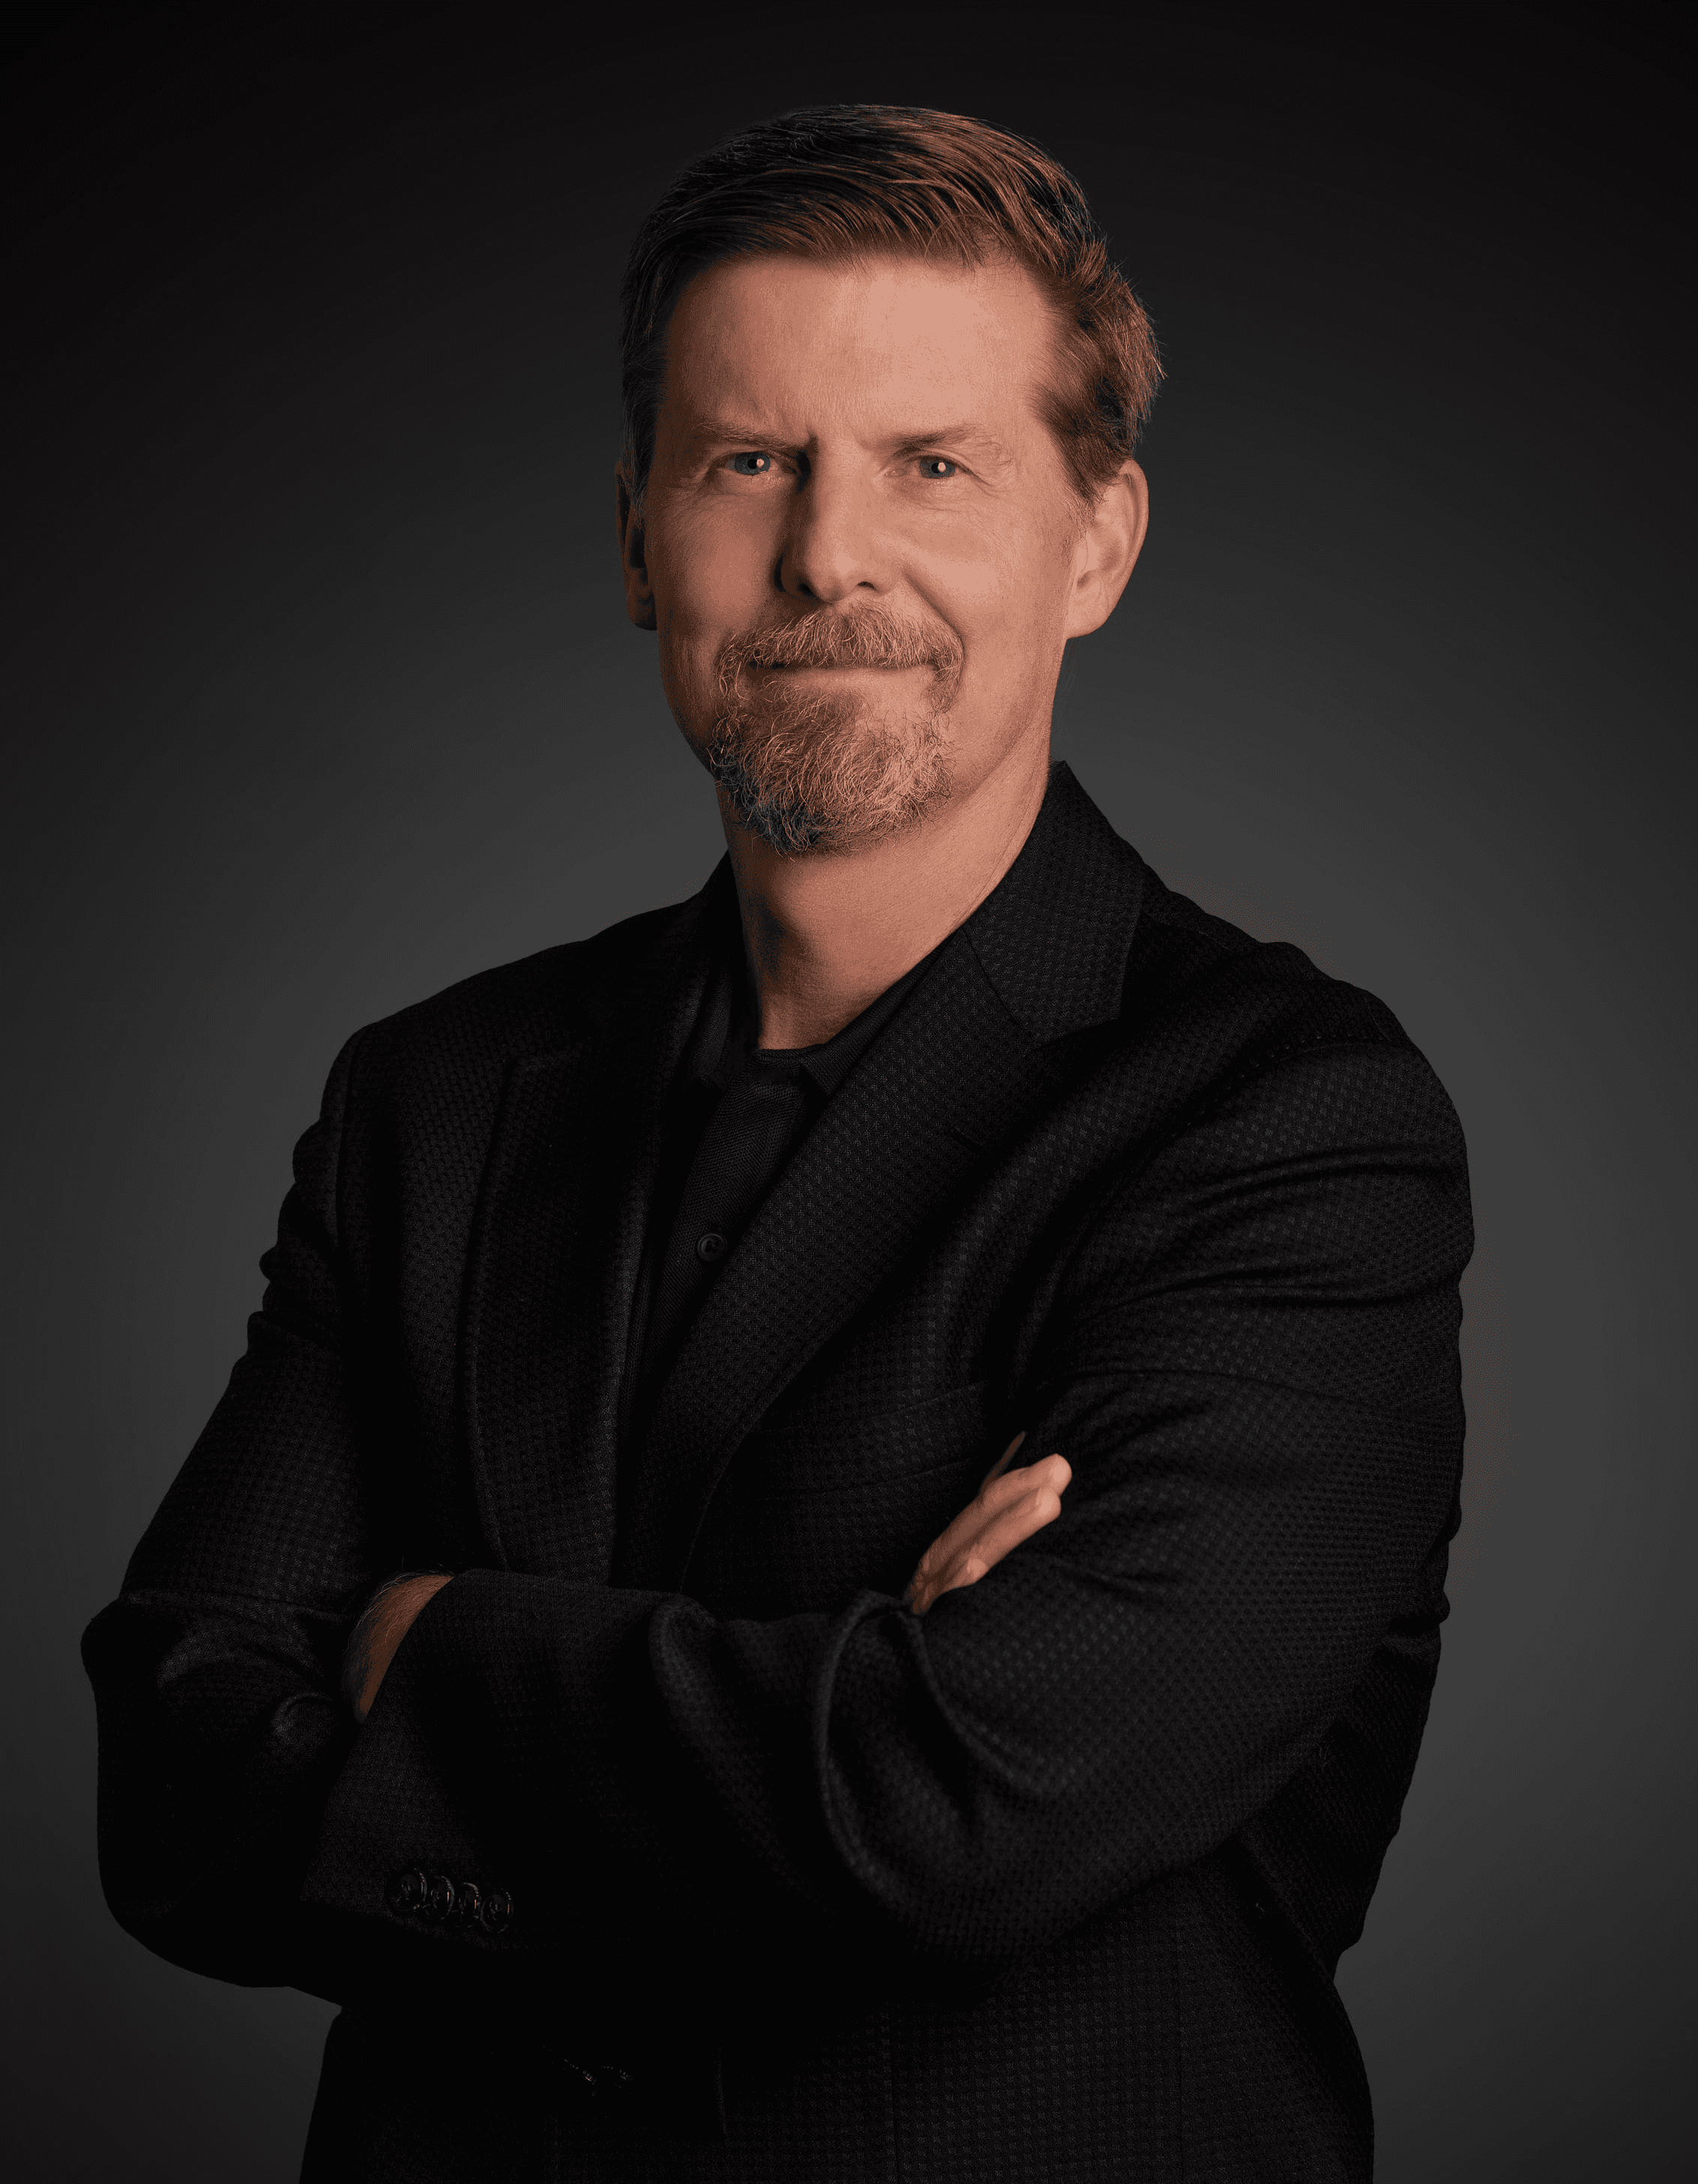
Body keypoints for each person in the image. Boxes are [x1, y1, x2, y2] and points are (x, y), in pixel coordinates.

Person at [82, 104, 1473, 2183]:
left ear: (1093, 544)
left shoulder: (1287, 1124)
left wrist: (427, 1647)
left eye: (934, 465)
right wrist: (821, 1705)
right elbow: (180, 1794)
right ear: (641, 533)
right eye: (753, 462)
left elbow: (963, 1803)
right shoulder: (431, 1101)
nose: (830, 555)